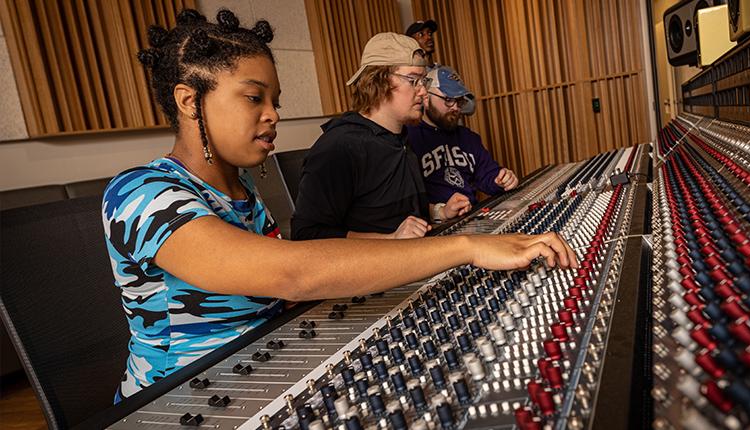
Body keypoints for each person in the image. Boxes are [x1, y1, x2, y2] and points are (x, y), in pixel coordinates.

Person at [103, 9, 577, 400]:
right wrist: (466, 248)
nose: (273, 115)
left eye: (276, 100)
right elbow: (289, 273)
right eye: (253, 98)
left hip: (266, 372)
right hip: (179, 399)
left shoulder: (242, 191)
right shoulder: (140, 194)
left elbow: (287, 294)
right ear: (189, 101)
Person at [290, 33, 434, 240]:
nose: (423, 92)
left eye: (424, 81)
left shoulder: (401, 139)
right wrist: (390, 240)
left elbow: (396, 215)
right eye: (413, 80)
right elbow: (307, 235)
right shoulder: (339, 147)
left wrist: (437, 212)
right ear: (380, 81)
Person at [408, 66, 518, 222]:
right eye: (448, 99)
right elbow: (403, 203)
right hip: (434, 229)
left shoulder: (469, 138)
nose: (455, 108)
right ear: (426, 98)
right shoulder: (408, 140)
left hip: (472, 219)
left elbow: (488, 175)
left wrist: (501, 180)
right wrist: (440, 211)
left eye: (459, 101)